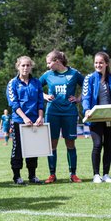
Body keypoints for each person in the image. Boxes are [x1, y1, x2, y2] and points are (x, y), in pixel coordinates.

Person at [39, 50, 84, 183]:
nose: (48, 66)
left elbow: (87, 86)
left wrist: (78, 99)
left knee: (70, 143)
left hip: (69, 113)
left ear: (57, 61)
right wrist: (45, 96)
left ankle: (73, 174)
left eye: (49, 63)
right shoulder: (48, 75)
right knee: (52, 144)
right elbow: (36, 87)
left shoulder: (74, 73)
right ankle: (52, 175)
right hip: (52, 113)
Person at [6, 56, 44, 185]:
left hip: (34, 122)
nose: (25, 68)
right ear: (18, 66)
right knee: (18, 149)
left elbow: (40, 102)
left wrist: (40, 117)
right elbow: (14, 104)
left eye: (28, 65)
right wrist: (24, 118)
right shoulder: (12, 83)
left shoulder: (37, 82)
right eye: (23, 65)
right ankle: (17, 176)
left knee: (33, 149)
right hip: (19, 121)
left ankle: (32, 176)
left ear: (31, 67)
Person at [82, 52, 111, 183]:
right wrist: (87, 109)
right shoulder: (89, 78)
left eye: (100, 62)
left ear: (106, 64)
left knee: (109, 146)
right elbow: (86, 96)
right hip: (95, 116)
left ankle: (106, 174)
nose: (98, 65)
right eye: (96, 62)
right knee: (98, 144)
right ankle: (96, 175)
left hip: (109, 117)